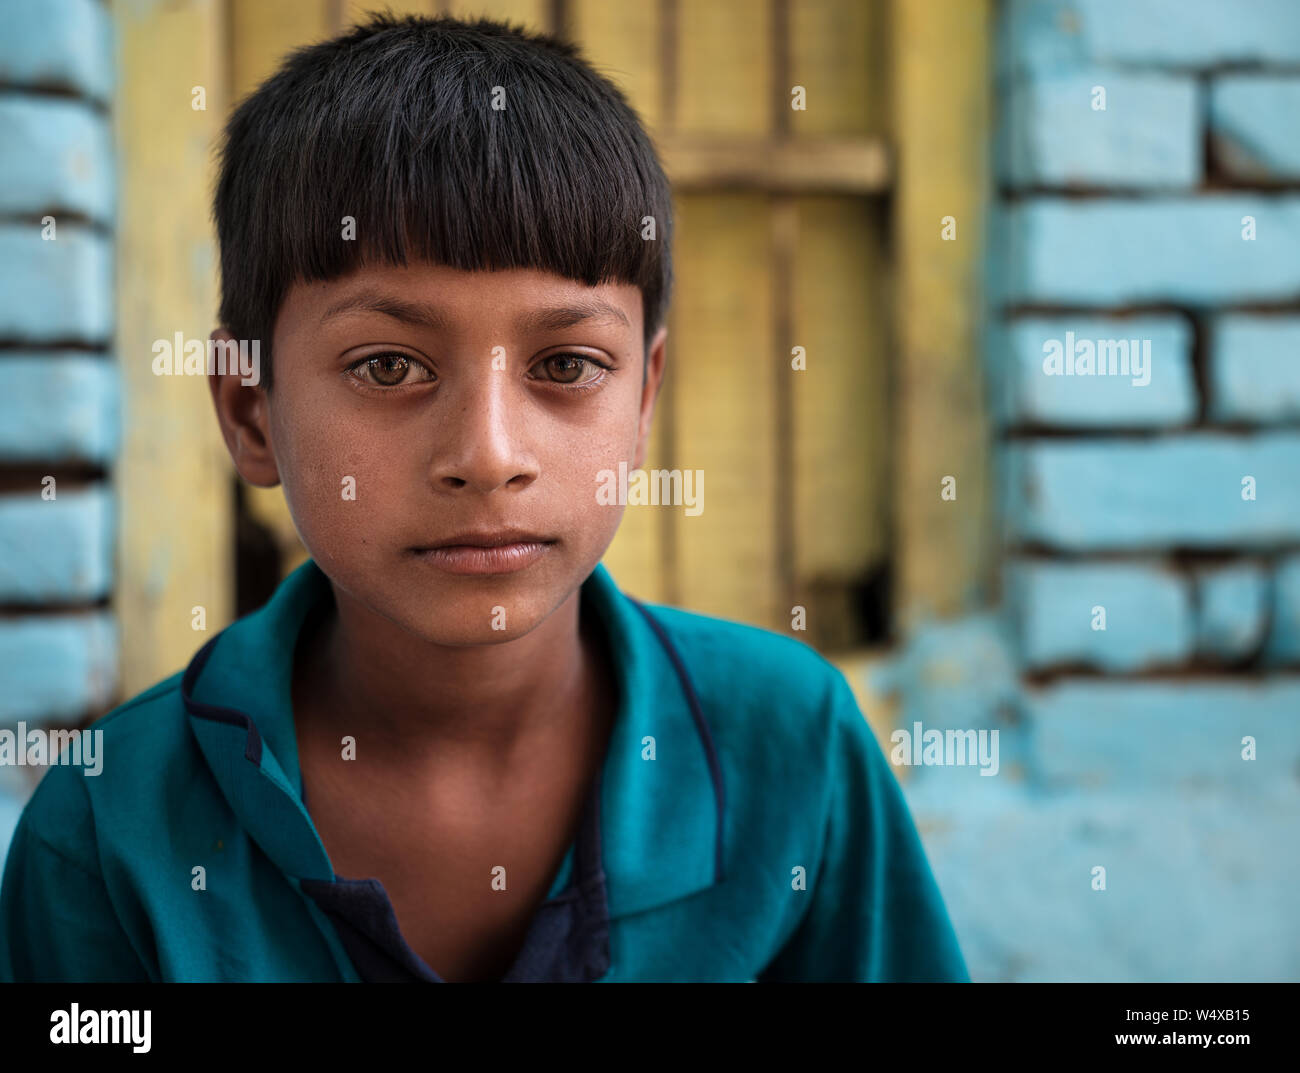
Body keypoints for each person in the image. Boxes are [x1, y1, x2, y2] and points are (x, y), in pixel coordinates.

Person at [0, 12, 968, 983]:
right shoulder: (108, 828)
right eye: (388, 364)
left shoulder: (788, 741)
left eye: (566, 363)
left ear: (643, 401)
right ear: (252, 410)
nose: (488, 454)